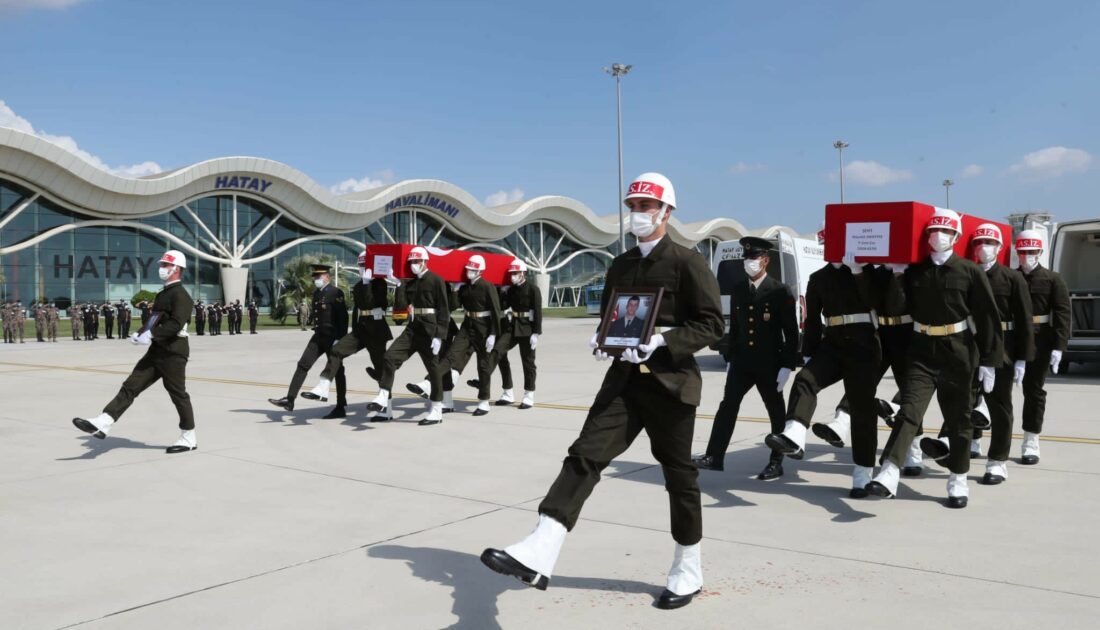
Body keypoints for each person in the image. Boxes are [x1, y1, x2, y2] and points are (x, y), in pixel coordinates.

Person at [481, 172, 723, 610]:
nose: (638, 213)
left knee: (679, 478)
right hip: (624, 383)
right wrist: (602, 338)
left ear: (667, 212)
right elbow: (613, 316)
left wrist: (663, 342)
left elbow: (712, 324)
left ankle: (688, 568)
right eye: (633, 205)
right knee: (583, 457)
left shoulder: (689, 262)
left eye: (646, 207)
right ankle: (540, 549)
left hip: (670, 386)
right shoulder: (621, 264)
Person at [866, 209, 1002, 508]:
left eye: (944, 232)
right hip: (921, 350)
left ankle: (958, 477)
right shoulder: (915, 270)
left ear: (955, 236)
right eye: (932, 232)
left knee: (959, 419)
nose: (937, 237)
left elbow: (987, 317)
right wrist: (898, 275)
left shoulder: (969, 271)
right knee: (909, 411)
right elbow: (896, 307)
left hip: (958, 350)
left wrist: (990, 360)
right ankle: (889, 471)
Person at [765, 246, 890, 497]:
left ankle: (863, 473)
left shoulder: (866, 272)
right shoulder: (818, 278)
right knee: (804, 379)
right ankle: (795, 433)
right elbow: (812, 321)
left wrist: (858, 271)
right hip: (832, 343)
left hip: (864, 344)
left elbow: (877, 302)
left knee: (862, 408)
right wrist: (809, 351)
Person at [922, 224, 1034, 484]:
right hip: (966, 346)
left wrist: (1022, 359)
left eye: (990, 242)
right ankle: (951, 446)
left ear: (1000, 247)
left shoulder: (1012, 278)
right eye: (979, 242)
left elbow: (1025, 321)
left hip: (1002, 348)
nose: (984, 247)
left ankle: (997, 461)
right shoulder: (966, 273)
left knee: (999, 405)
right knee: (961, 402)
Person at [72, 250, 197, 454]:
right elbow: (155, 318)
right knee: (131, 385)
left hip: (174, 352)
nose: (162, 268)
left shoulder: (181, 295)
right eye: (162, 264)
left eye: (166, 265)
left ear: (177, 268)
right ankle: (105, 421)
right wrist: (141, 333)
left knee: (178, 394)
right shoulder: (163, 293)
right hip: (156, 350)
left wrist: (152, 334)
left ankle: (188, 437)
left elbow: (176, 324)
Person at [694, 236, 798, 480]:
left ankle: (776, 462)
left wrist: (787, 365)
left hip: (769, 364)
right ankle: (714, 456)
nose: (748, 262)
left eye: (753, 258)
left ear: (765, 260)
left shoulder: (779, 291)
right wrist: (730, 358)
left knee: (775, 413)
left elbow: (791, 333)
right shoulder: (740, 289)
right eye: (746, 258)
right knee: (727, 407)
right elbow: (738, 329)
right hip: (742, 362)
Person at [302, 251, 394, 419]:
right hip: (361, 329)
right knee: (337, 350)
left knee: (381, 369)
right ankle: (323, 385)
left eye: (365, 266)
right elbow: (359, 308)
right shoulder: (358, 286)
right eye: (360, 266)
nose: (362, 269)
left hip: (376, 330)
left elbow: (372, 303)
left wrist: (368, 283)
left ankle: (387, 410)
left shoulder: (379, 283)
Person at [367, 246, 451, 425]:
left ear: (425, 262)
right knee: (390, 357)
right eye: (411, 262)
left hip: (430, 329)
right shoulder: (411, 283)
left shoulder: (436, 280)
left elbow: (444, 310)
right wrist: (398, 284)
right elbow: (402, 306)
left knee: (433, 369)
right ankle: (383, 395)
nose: (413, 265)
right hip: (413, 328)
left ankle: (436, 409)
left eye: (417, 261)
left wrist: (439, 336)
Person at [1015, 229, 1071, 465]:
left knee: (1034, 391)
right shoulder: (1010, 276)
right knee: (993, 391)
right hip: (1013, 339)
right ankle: (977, 438)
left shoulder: (1052, 279)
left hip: (1040, 341)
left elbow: (1062, 313)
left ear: (1039, 251)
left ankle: (1031, 439)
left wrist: (1059, 346)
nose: (1027, 255)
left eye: (1031, 251)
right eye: (1022, 251)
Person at [268, 265, 348, 412]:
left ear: (327, 277)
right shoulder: (317, 294)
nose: (316, 279)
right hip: (318, 336)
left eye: (319, 276)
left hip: (332, 338)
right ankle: (289, 400)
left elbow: (343, 318)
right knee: (303, 364)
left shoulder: (336, 292)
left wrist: (340, 339)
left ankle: (341, 405)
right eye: (315, 277)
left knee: (337, 370)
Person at [435, 255, 502, 416]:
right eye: (468, 269)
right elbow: (453, 306)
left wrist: (493, 334)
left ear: (479, 270)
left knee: (484, 365)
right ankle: (432, 379)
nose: (469, 272)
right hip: (467, 326)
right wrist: (455, 290)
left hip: (484, 328)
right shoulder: (464, 287)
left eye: (472, 269)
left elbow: (495, 311)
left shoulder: (487, 286)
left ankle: (484, 402)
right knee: (451, 355)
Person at [490, 258, 543, 409]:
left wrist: (536, 333)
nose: (513, 275)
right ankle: (507, 392)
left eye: (516, 273)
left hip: (527, 329)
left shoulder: (533, 289)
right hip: (513, 327)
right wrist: (502, 292)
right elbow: (503, 306)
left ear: (523, 273)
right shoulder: (511, 289)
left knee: (528, 362)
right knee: (498, 352)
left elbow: (538, 312)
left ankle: (528, 395)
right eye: (511, 273)